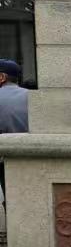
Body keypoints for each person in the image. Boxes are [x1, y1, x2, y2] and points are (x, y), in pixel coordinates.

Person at [0, 59, 26, 204]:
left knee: (10, 200)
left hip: (4, 159)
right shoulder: (32, 97)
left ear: (2, 77)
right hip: (30, 158)